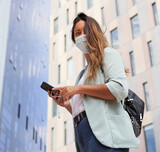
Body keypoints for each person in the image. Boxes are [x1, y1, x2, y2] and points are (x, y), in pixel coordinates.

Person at [48, 12, 140, 152]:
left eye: (85, 31)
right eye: (77, 33)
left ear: (94, 32)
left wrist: (78, 89)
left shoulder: (108, 54)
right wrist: (66, 104)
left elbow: (120, 89)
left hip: (106, 136)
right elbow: (88, 109)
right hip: (83, 137)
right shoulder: (82, 75)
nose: (81, 36)